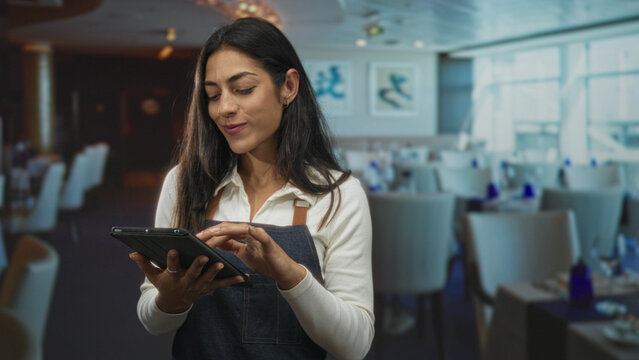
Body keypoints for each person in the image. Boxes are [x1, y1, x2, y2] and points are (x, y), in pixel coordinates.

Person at [129, 17, 374, 360]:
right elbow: (153, 321)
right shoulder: (184, 182)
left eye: (243, 89)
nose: (224, 108)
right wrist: (171, 301)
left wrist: (290, 275)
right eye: (213, 95)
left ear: (288, 86)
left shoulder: (337, 194)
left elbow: (355, 345)